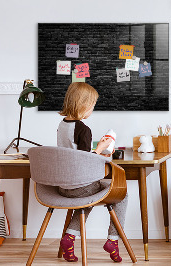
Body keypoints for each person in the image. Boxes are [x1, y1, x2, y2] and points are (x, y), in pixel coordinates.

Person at [57, 82, 127, 263]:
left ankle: (69, 238)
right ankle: (113, 240)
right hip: (80, 186)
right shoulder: (83, 129)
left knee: (87, 197)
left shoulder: (62, 125)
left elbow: (74, 154)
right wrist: (102, 148)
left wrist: (97, 149)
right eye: (92, 106)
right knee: (122, 194)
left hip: (63, 186)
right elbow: (85, 161)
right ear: (83, 105)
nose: (92, 110)